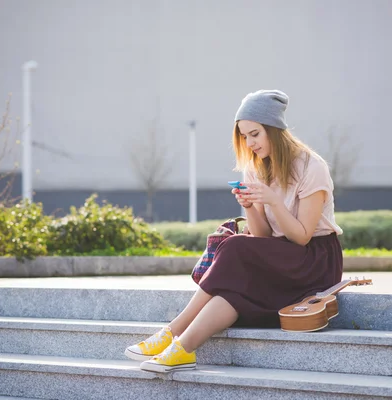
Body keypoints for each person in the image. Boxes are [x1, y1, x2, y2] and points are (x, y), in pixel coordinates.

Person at [124, 89, 344, 373]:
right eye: (244, 136)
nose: (249, 143)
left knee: (234, 246)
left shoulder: (311, 167)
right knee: (231, 294)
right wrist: (251, 207)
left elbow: (301, 237)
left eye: (255, 134)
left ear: (274, 130)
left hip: (314, 260)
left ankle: (172, 331)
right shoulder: (255, 168)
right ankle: (182, 350)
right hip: (280, 257)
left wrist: (273, 200)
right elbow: (263, 239)